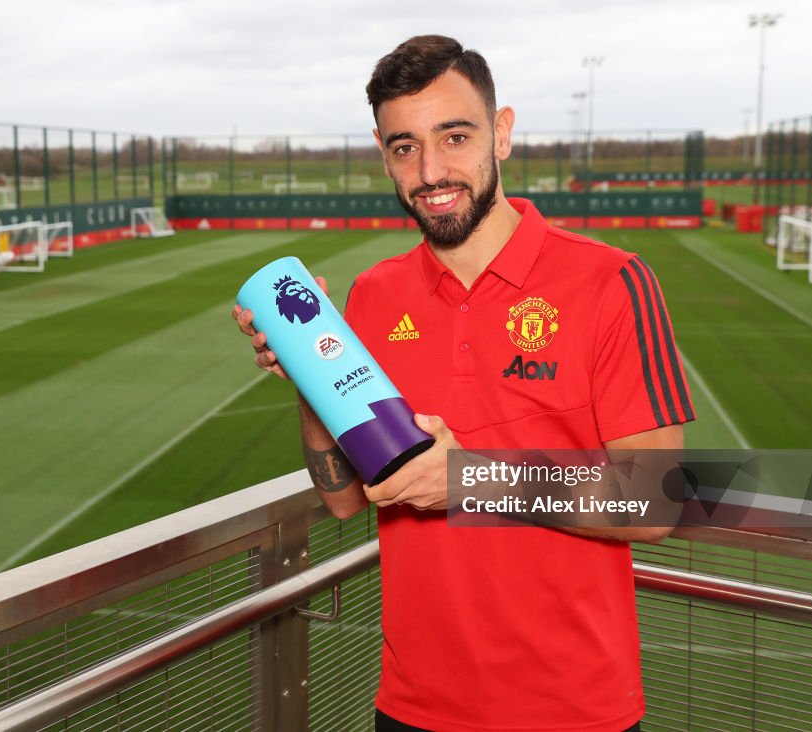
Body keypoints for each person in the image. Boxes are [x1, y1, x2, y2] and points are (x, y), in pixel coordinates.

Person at [234, 35, 695, 732]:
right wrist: (310, 369)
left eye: (454, 136)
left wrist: (468, 479)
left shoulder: (612, 282)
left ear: (501, 133)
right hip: (414, 708)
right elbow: (341, 497)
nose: (431, 170)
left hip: (574, 711)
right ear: (383, 154)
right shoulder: (374, 295)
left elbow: (656, 501)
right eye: (405, 147)